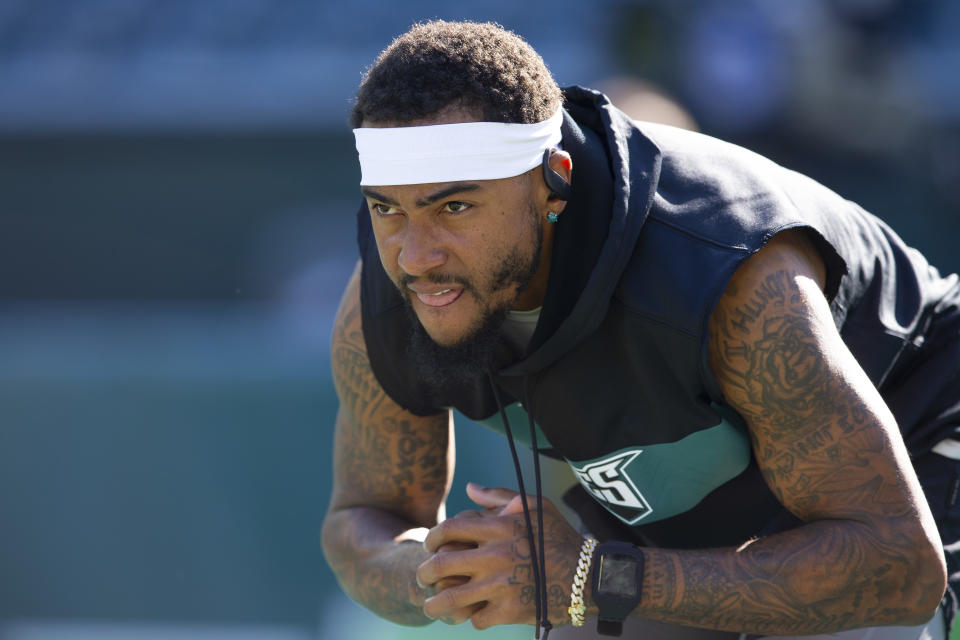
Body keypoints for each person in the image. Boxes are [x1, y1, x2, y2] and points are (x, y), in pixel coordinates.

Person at [321, 20, 959, 640]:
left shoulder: (726, 274)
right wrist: (447, 569)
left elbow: (899, 567)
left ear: (554, 185)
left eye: (454, 206)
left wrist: (596, 576)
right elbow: (363, 520)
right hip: (692, 514)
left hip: (905, 444)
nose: (415, 257)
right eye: (387, 209)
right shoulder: (390, 294)